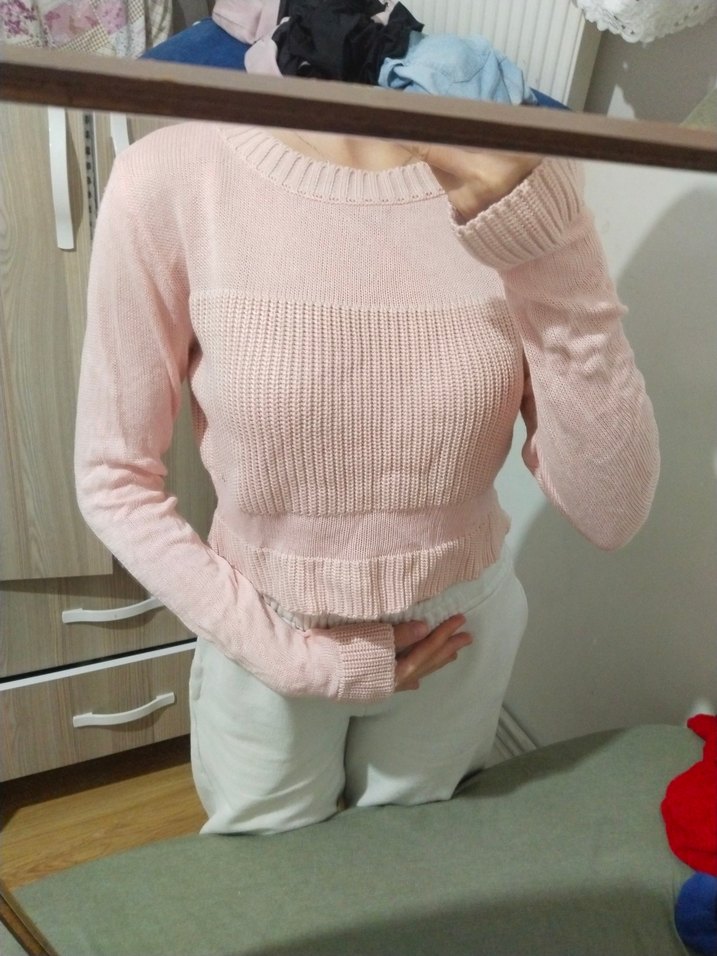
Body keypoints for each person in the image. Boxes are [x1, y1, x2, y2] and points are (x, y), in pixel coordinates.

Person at [74, 119, 659, 835]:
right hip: (264, 629)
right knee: (275, 881)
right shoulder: (172, 175)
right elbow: (113, 477)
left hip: (459, 631)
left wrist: (551, 241)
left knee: (415, 866)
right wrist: (297, 663)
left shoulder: (513, 175)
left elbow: (612, 510)